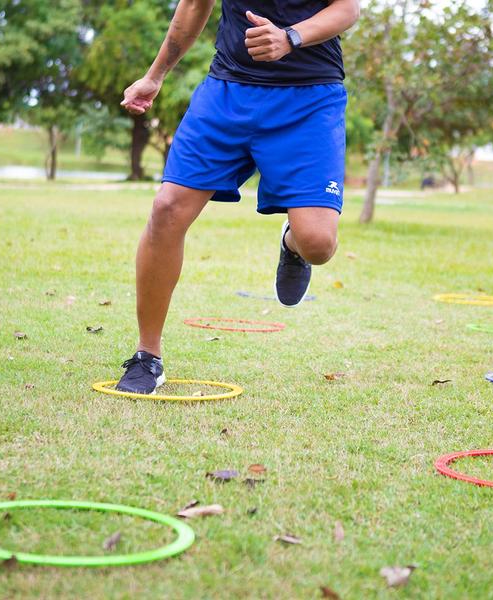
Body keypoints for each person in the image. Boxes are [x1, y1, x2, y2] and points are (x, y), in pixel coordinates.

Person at [117, 0, 360, 394]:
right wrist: (155, 75)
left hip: (309, 99)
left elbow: (348, 9)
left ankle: (292, 243)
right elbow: (195, 4)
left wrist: (290, 38)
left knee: (317, 243)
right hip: (227, 92)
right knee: (166, 209)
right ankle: (148, 356)